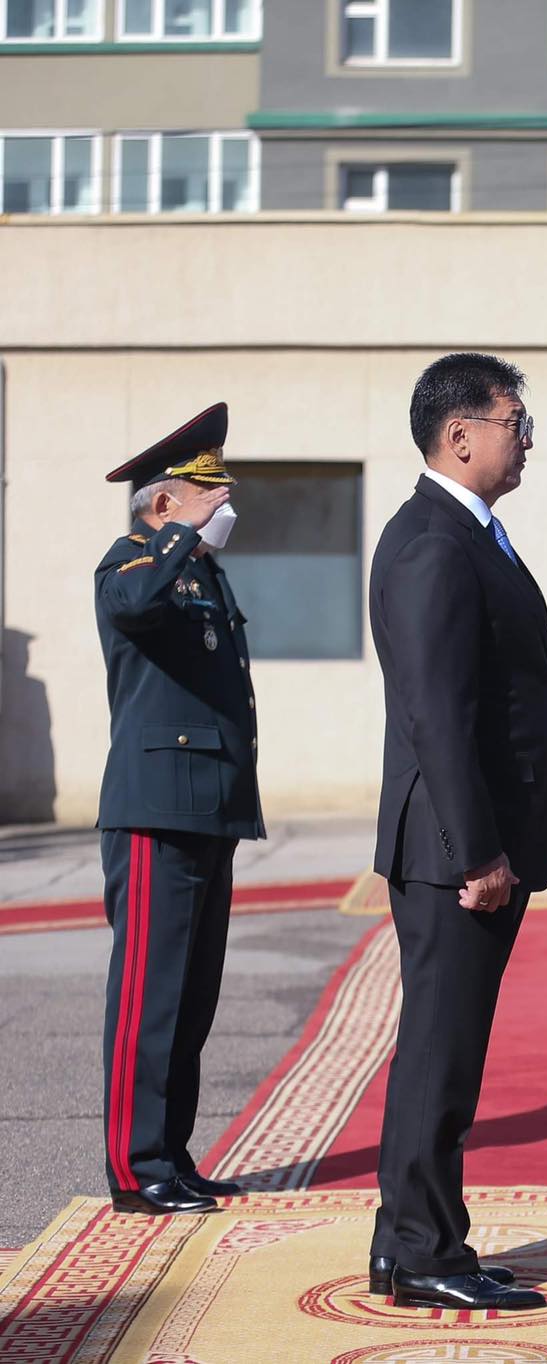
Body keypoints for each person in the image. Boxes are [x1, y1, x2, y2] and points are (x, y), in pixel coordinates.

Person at [367, 353, 547, 1312]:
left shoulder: (466, 533)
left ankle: (410, 1240)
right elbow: (436, 716)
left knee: (443, 1045)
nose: (524, 439)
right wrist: (478, 851)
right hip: (455, 849)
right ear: (461, 435)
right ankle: (425, 1252)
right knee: (441, 1050)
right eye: (513, 422)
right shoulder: (434, 543)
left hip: (467, 839)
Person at [94, 403, 265, 1217]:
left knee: (192, 1000)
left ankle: (172, 1153)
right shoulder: (131, 564)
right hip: (156, 809)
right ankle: (136, 1169)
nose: (224, 498)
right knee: (149, 998)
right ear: (163, 502)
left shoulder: (198, 572)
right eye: (206, 489)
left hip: (209, 808)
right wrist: (177, 534)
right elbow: (134, 612)